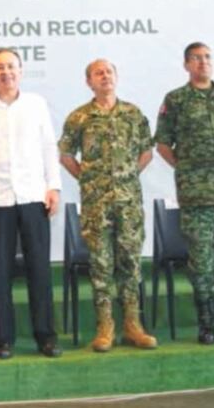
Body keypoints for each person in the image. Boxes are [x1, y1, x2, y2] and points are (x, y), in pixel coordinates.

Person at [0, 48, 61, 359]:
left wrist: (53, 187)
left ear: (21, 70)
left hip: (34, 197)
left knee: (39, 271)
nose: (6, 72)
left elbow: (48, 147)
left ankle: (45, 336)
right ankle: (3, 339)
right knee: (0, 272)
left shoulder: (36, 104)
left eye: (11, 67)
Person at [154, 42, 214, 345]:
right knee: (202, 260)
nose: (203, 63)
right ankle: (207, 323)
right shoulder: (176, 100)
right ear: (186, 65)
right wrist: (188, 169)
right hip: (197, 197)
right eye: (196, 59)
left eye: (207, 57)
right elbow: (163, 145)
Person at [59, 59, 157, 352]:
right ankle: (105, 327)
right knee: (101, 265)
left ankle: (133, 325)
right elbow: (65, 155)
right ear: (89, 82)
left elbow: (147, 152)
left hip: (128, 202)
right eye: (98, 73)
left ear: (117, 77)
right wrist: (89, 180)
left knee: (130, 262)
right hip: (95, 205)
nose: (105, 77)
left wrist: (126, 177)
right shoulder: (79, 117)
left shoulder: (133, 113)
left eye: (109, 72)